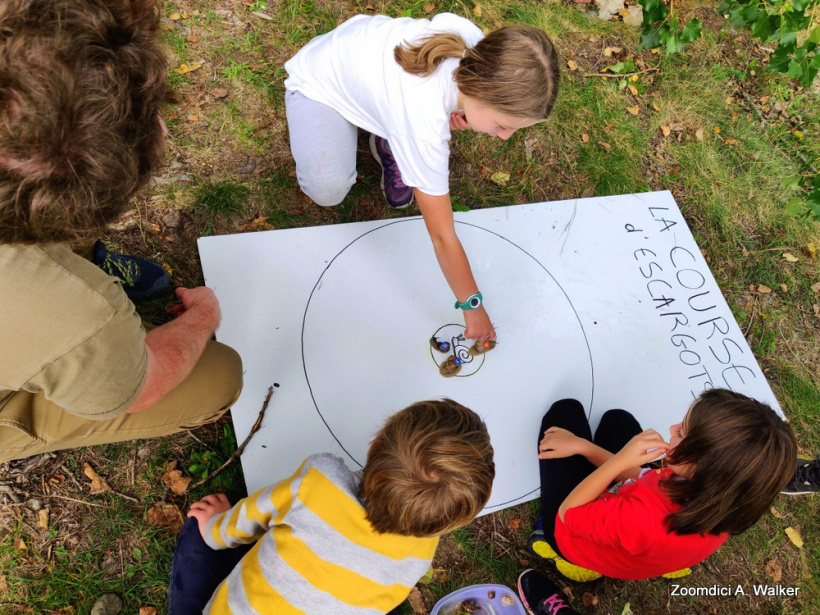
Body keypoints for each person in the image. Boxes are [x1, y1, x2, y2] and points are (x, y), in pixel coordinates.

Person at [0, 0, 242, 464]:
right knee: (220, 374)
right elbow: (145, 385)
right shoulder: (74, 315)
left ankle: (86, 257)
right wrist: (203, 318)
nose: (163, 125)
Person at [284, 13, 560, 341]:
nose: (504, 137)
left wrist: (460, 113)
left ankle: (390, 137)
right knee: (327, 187)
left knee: (409, 125)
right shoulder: (420, 121)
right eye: (503, 125)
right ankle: (389, 138)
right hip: (319, 84)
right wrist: (474, 308)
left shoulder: (475, 46)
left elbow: (443, 22)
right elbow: (443, 238)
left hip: (363, 56)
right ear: (479, 90)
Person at [167, 399, 495, 614]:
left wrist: (215, 528)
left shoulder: (319, 483)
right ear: (450, 522)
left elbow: (247, 521)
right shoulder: (417, 559)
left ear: (375, 444)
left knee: (200, 532)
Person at [527, 389, 796, 582]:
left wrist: (612, 457)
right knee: (618, 420)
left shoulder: (642, 518)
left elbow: (568, 513)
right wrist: (590, 450)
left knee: (564, 412)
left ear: (701, 462)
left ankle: (576, 563)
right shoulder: (724, 502)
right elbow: (641, 479)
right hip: (645, 545)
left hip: (573, 537)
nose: (672, 426)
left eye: (681, 432)